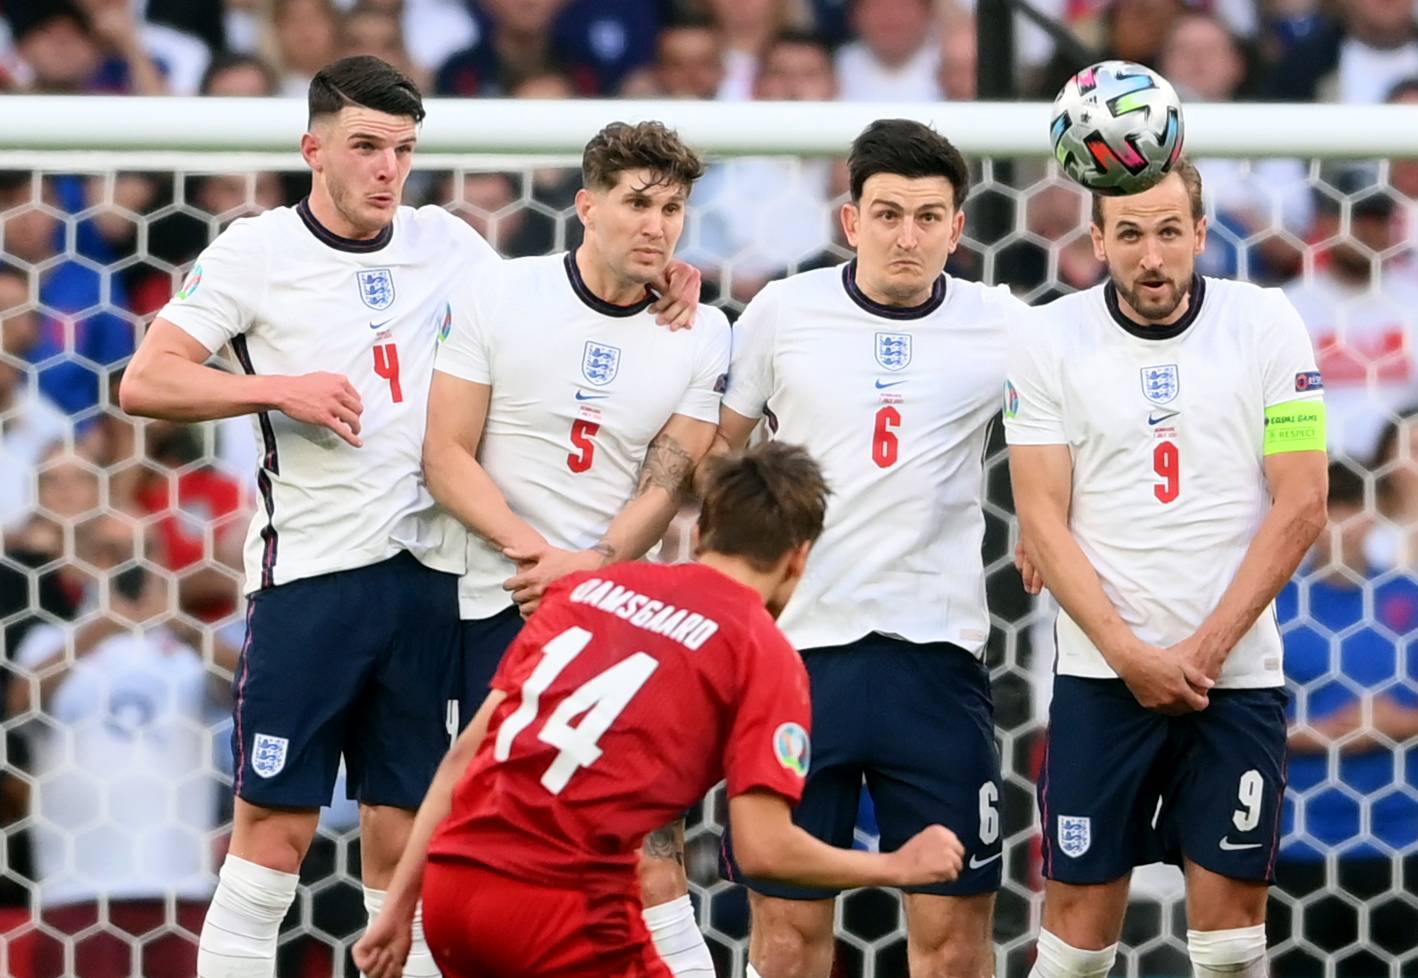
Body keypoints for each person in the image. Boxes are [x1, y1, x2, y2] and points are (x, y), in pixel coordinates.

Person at [116, 55, 714, 978]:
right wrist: (277, 389)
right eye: (365, 147)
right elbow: (145, 381)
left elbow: (557, 299)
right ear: (313, 148)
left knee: (410, 852)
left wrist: (660, 279)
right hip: (312, 575)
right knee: (272, 840)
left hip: (433, 583)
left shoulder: (450, 246)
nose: (387, 169)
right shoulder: (255, 251)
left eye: (402, 149)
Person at [353, 442, 967, 978]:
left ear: (701, 534)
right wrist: (894, 863)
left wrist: (404, 905)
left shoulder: (586, 591)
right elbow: (763, 850)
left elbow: (464, 755)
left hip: (455, 891)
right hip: (562, 910)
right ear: (799, 557)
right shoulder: (762, 650)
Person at [714, 118, 1026, 978]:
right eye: (887, 214)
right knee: (785, 938)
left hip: (936, 662)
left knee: (955, 940)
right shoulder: (783, 310)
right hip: (795, 662)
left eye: (930, 217)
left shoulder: (1002, 323)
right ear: (850, 222)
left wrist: (1044, 518)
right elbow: (716, 458)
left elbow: (1082, 411)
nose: (908, 236)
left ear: (959, 230)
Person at [1005, 159, 1329, 978]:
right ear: (1098, 241)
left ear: (1201, 233)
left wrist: (1204, 655)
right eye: (1131, 235)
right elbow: (1040, 515)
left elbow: (1302, 504)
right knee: (1076, 942)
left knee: (1228, 945)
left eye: (1169, 232)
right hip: (1101, 677)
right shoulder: (1050, 336)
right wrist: (1130, 656)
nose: (1152, 256)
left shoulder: (1266, 322)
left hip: (1236, 679)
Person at [421, 119, 729, 978]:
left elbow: (666, 480)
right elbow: (445, 452)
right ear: (586, 206)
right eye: (637, 203)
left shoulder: (703, 333)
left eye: (672, 208)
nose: (656, 225)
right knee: (465, 846)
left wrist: (590, 570)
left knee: (649, 856)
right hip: (490, 605)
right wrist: (537, 560)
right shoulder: (501, 294)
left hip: (616, 626)